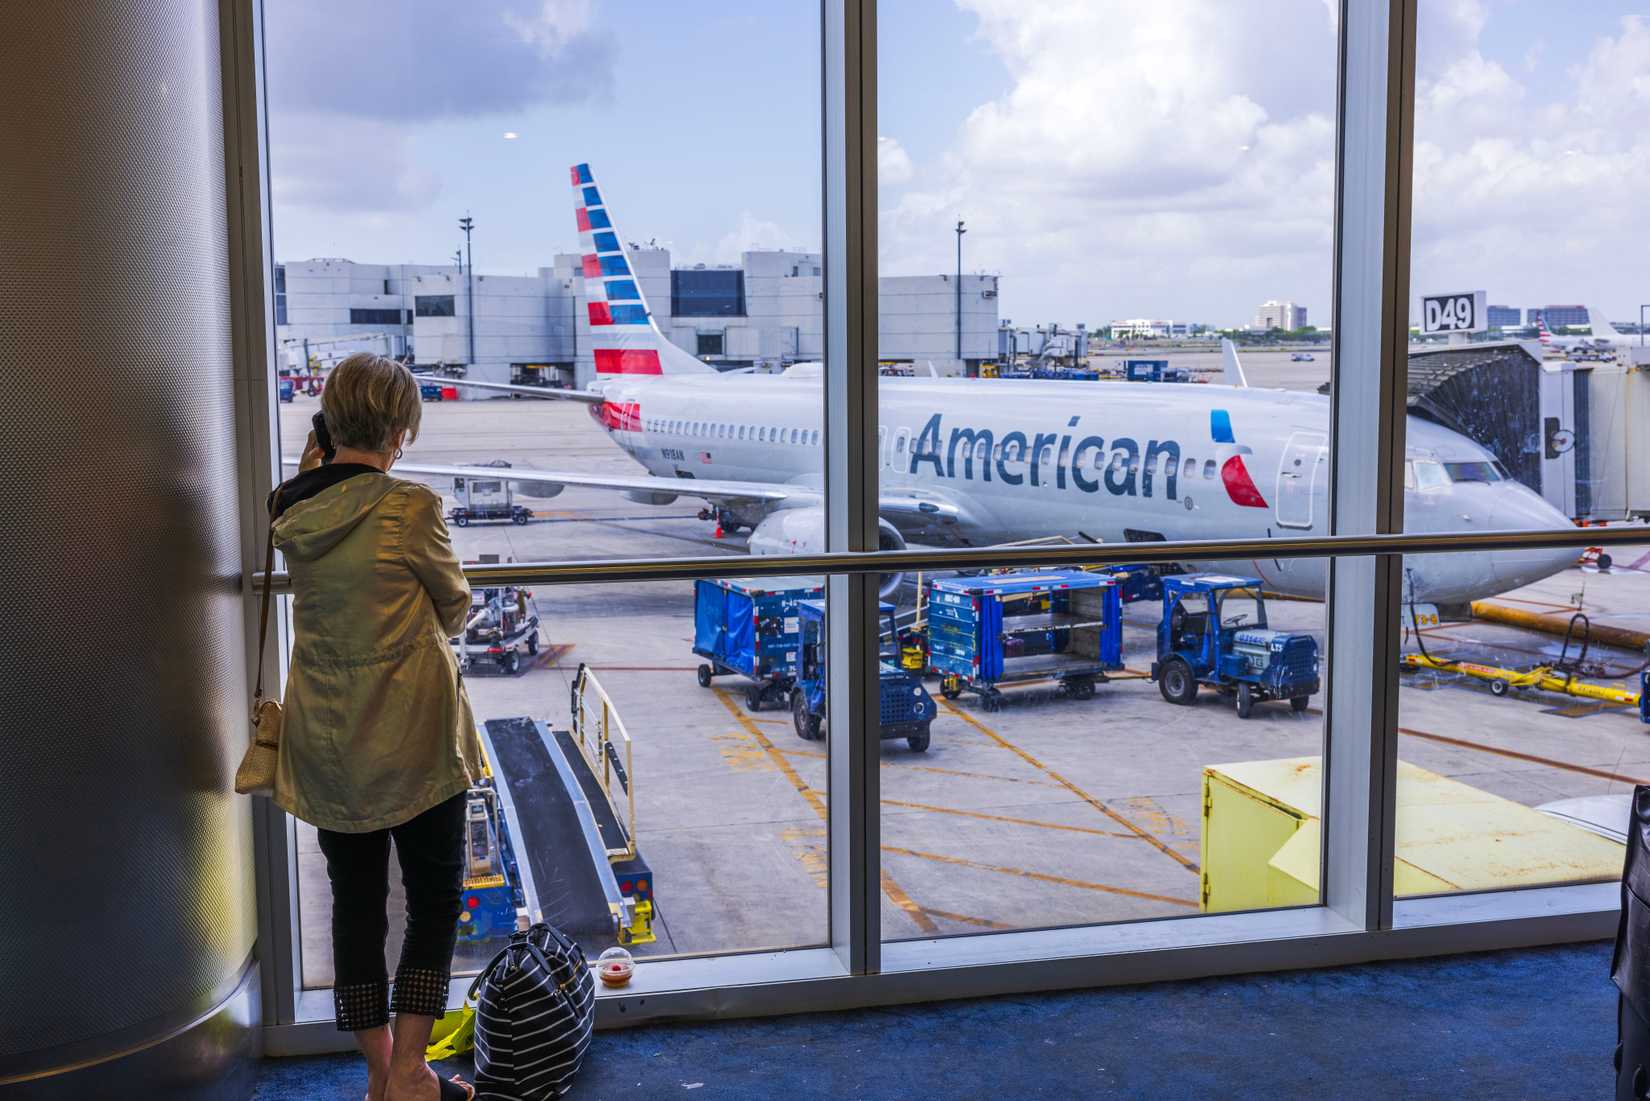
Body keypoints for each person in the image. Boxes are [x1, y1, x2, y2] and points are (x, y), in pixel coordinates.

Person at [271, 352, 481, 1101]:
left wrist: (316, 457)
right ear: (398, 427)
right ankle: (412, 1074)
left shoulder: (291, 511)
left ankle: (379, 1071)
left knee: (355, 904)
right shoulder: (408, 508)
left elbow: (308, 489)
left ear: (328, 424)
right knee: (431, 898)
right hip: (416, 741)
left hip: (328, 741)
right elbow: (453, 607)